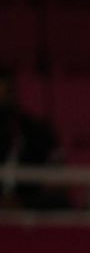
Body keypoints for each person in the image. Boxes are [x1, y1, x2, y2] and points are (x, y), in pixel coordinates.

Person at [0, 67, 63, 210]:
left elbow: (56, 180)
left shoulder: (35, 130)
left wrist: (22, 203)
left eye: (5, 92)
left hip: (28, 204)